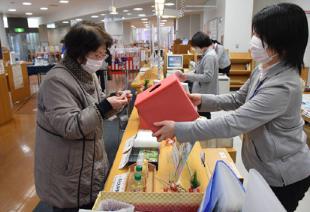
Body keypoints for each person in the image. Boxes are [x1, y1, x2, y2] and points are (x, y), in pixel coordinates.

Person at [154, 3, 310, 212]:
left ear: (282, 43)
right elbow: (238, 98)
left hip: (283, 175)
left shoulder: (283, 86)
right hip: (263, 166)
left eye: (260, 35)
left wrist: (179, 128)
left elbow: (234, 123)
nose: (253, 40)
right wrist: (202, 99)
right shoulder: (263, 70)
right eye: (255, 33)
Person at [34, 21, 132, 211]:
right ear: (79, 54)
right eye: (97, 55)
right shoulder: (56, 81)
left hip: (87, 159)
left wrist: (113, 101)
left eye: (104, 54)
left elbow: (97, 103)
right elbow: (69, 125)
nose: (101, 59)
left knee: (89, 203)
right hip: (68, 168)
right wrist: (104, 106)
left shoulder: (87, 73)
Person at [176, 31, 219, 119]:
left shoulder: (209, 56)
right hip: (203, 92)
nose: (195, 49)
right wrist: (185, 75)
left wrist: (187, 76)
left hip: (204, 93)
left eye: (195, 47)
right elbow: (198, 71)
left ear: (201, 44)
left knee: (203, 117)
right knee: (202, 116)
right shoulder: (207, 54)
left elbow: (207, 77)